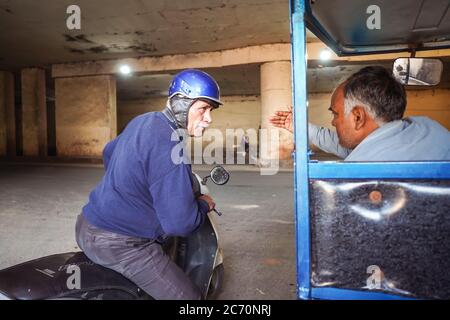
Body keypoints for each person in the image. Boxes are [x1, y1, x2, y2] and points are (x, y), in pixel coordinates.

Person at [75, 69, 221, 300]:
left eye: (211, 110)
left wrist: (133, 186)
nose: (209, 118)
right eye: (203, 108)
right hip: (121, 244)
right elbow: (180, 224)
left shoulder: (145, 120)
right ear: (181, 104)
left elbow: (109, 152)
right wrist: (203, 204)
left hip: (86, 226)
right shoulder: (172, 147)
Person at [270, 66, 450, 161]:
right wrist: (300, 127)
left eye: (336, 114)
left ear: (357, 117)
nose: (333, 122)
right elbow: (338, 143)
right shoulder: (427, 127)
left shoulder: (364, 168)